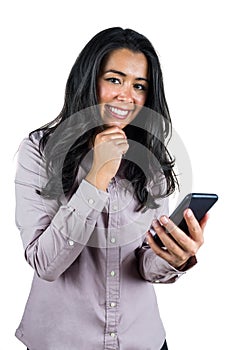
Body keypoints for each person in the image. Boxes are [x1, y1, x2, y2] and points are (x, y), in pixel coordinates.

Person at [15, 27, 208, 350]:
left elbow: (144, 264)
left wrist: (175, 256)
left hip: (142, 340)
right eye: (114, 79)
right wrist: (97, 178)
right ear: (89, 80)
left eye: (139, 85)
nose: (126, 95)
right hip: (62, 342)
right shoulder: (39, 150)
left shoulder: (152, 159)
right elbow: (45, 264)